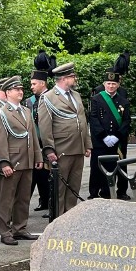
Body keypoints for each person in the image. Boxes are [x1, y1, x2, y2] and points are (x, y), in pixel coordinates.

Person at [0, 76, 42, 245]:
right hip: (12, 161)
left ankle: (20, 228)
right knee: (6, 198)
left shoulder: (26, 111)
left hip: (26, 160)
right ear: (7, 92)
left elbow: (32, 136)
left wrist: (38, 156)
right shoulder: (1, 113)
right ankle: (5, 231)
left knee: (23, 197)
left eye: (21, 89)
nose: (20, 92)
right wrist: (4, 162)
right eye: (16, 89)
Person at [38, 62, 92, 213]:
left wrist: (87, 144)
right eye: (72, 76)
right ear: (64, 78)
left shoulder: (76, 95)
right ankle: (57, 221)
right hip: (61, 149)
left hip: (77, 148)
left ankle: (69, 219)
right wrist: (49, 150)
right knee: (59, 190)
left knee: (74, 188)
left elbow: (82, 120)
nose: (75, 79)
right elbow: (45, 126)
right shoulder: (48, 98)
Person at [88, 69, 131, 200]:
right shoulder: (96, 99)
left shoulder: (124, 101)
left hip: (118, 140)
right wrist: (104, 136)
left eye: (114, 84)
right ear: (104, 84)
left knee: (120, 165)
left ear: (118, 85)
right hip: (101, 140)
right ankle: (95, 192)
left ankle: (121, 191)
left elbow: (126, 121)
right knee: (97, 167)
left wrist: (117, 136)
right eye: (108, 83)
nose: (111, 86)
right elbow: (93, 118)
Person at [24, 70, 50, 213]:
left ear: (42, 83)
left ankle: (49, 201)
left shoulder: (51, 98)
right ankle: (40, 201)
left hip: (47, 142)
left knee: (48, 175)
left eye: (34, 84)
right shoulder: (29, 101)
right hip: (34, 143)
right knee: (35, 174)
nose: (31, 87)